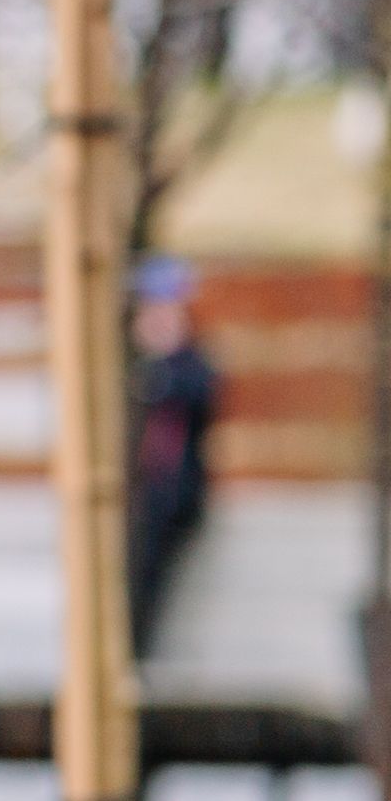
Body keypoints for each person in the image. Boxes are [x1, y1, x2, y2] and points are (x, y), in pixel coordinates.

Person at [130, 256, 220, 652]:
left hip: (171, 496)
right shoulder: (130, 365)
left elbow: (200, 400)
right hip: (136, 494)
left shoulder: (188, 365)